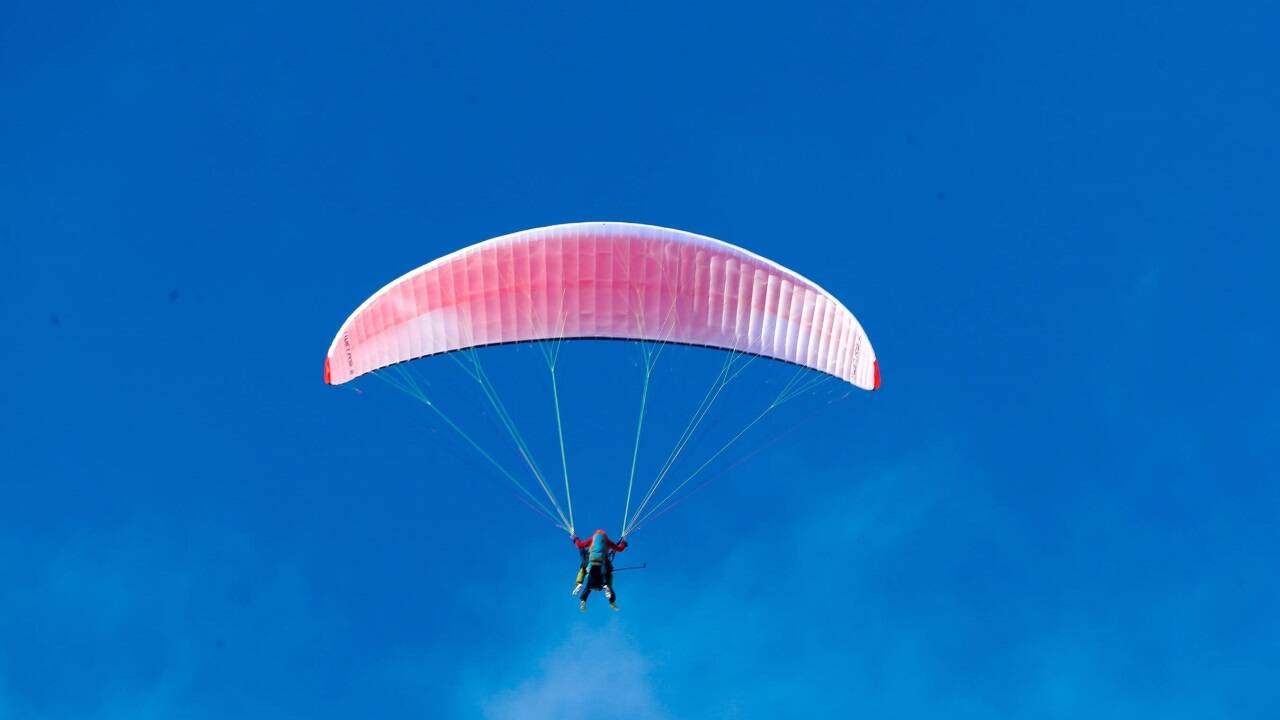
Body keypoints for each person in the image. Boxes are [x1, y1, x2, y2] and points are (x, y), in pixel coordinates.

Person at [571, 529, 627, 612]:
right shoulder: (608, 541)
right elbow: (619, 549)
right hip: (603, 565)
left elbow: (580, 545)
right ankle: (610, 594)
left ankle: (579, 584)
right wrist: (624, 542)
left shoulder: (592, 540)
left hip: (590, 565)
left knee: (583, 571)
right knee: (609, 574)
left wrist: (575, 538)